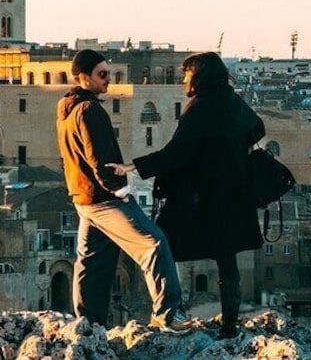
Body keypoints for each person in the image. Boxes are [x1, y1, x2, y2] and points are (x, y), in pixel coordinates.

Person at [108, 51, 265, 339]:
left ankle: (168, 314)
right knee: (226, 259)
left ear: (199, 75)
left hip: (201, 197)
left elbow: (177, 153)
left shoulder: (201, 107)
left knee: (162, 247)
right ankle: (229, 326)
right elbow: (258, 128)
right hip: (234, 194)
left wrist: (133, 166)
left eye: (187, 73)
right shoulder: (232, 101)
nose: (184, 79)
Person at [55, 49, 191, 334]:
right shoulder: (89, 110)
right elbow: (100, 159)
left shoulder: (66, 109)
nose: (108, 80)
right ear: (83, 77)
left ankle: (88, 325)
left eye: (109, 74)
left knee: (92, 263)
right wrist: (120, 191)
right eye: (102, 74)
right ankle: (168, 315)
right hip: (104, 199)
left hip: (83, 198)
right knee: (153, 244)